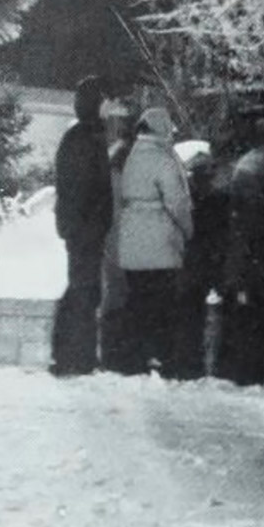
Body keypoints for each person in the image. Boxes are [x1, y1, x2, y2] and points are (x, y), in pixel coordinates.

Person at [216, 116, 264, 386]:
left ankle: (239, 374)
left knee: (250, 317)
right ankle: (247, 377)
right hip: (254, 258)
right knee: (253, 319)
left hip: (248, 257)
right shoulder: (262, 166)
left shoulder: (251, 164)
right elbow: (259, 221)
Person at [117, 107, 193, 376]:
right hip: (161, 244)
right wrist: (188, 231)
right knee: (162, 304)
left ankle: (133, 360)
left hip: (131, 242)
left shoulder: (129, 155)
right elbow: (178, 202)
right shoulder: (163, 159)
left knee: (137, 302)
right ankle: (162, 358)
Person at [51, 76, 113, 376]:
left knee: (83, 288)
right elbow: (88, 187)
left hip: (81, 227)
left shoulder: (80, 136)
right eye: (104, 101)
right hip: (84, 229)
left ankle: (75, 354)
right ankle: (73, 356)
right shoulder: (85, 138)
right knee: (83, 289)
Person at [172, 141, 232, 380]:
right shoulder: (220, 198)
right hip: (206, 266)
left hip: (187, 266)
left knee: (187, 320)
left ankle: (185, 368)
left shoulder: (185, 198)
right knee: (193, 320)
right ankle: (193, 368)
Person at [99, 109, 139, 374]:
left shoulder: (113, 158)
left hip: (113, 239)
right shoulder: (126, 160)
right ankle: (118, 359)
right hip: (121, 239)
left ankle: (112, 357)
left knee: (114, 296)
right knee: (120, 296)